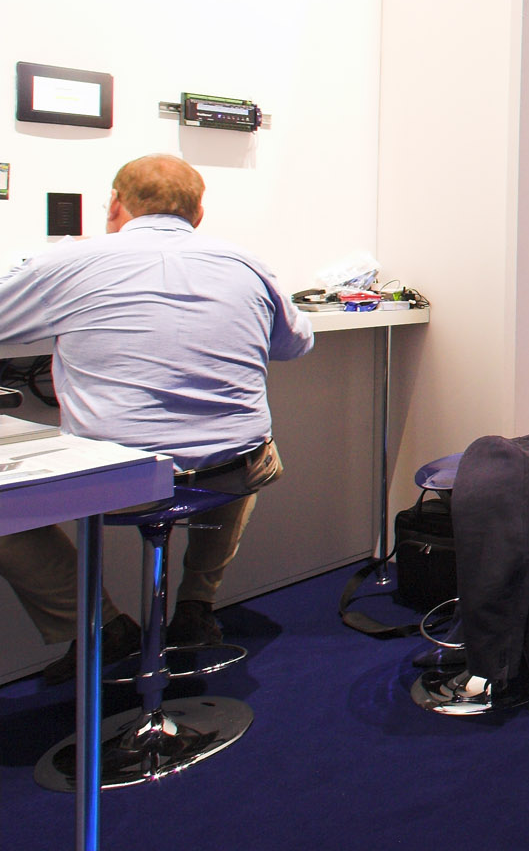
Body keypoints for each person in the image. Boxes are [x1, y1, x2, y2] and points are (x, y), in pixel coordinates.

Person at [0, 155, 313, 684]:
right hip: (229, 473)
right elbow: (296, 344)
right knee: (242, 447)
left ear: (115, 205)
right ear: (198, 213)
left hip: (119, 483)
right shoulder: (245, 263)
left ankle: (98, 626)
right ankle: (195, 607)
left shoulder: (71, 261)